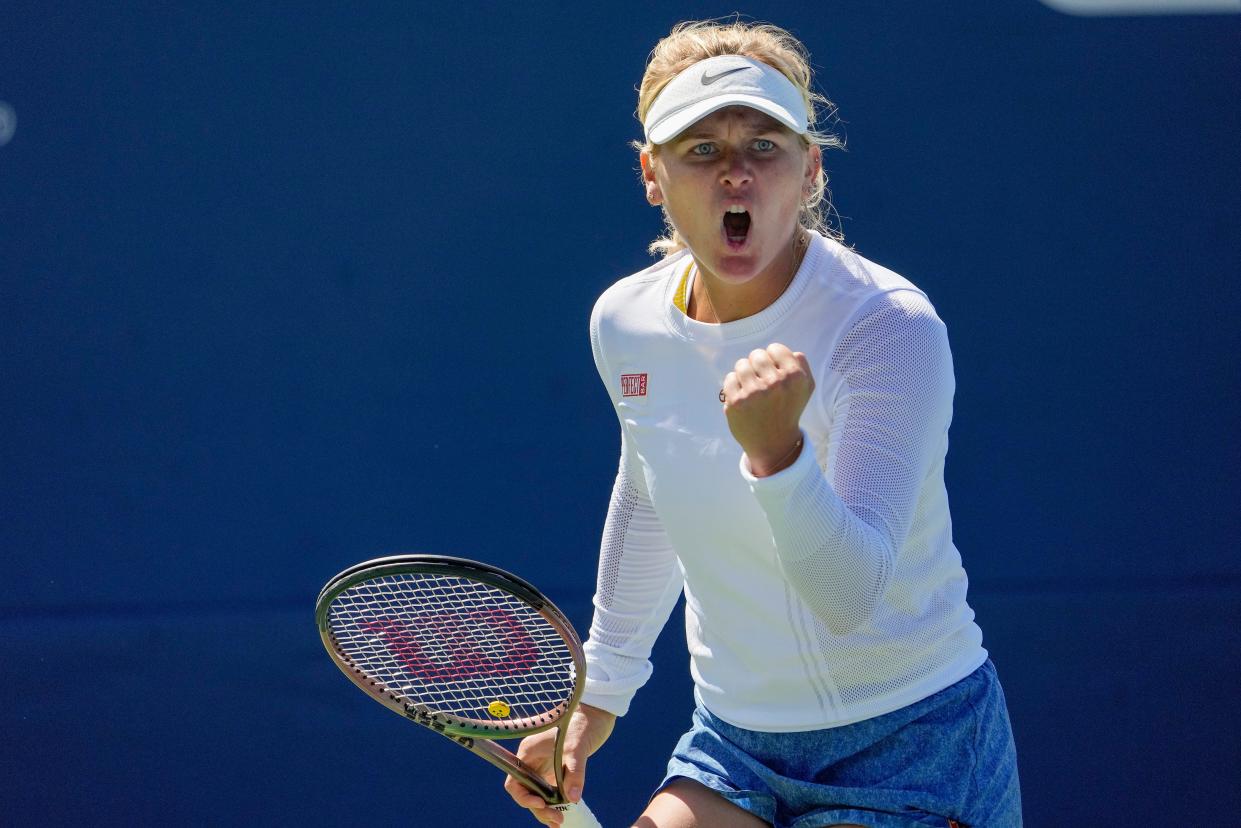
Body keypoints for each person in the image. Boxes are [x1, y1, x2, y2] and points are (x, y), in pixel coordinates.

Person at [505, 19, 1021, 828]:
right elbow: (650, 496)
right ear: (652, 173)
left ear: (809, 168)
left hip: (912, 741)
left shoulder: (886, 327)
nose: (735, 175)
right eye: (701, 150)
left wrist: (779, 456)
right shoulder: (624, 321)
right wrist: (596, 699)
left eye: (763, 147)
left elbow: (848, 596)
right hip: (732, 743)